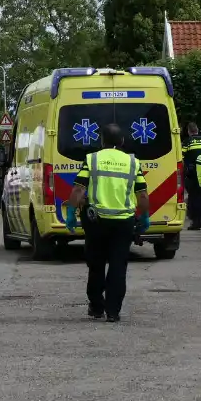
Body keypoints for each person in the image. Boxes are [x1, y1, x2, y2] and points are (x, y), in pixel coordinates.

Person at [64, 123, 150, 323]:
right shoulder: (132, 162)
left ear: (102, 141)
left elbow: (78, 190)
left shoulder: (92, 159)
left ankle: (96, 306)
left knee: (96, 265)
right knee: (118, 266)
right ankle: (113, 311)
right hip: (124, 222)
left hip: (96, 221)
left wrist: (71, 212)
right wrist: (144, 216)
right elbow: (143, 195)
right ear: (121, 142)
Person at [181, 127, 201, 231]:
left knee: (193, 198)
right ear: (197, 130)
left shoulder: (187, 142)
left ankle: (195, 222)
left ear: (189, 131)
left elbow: (181, 157)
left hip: (192, 174)